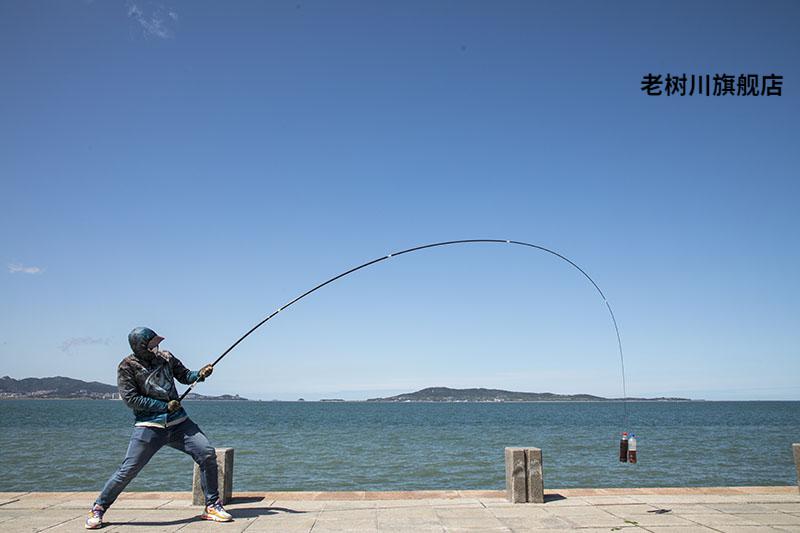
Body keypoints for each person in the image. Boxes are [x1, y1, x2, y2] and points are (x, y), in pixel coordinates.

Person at [85, 327, 233, 529]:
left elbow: (185, 375)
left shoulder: (166, 357)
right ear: (141, 346)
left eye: (157, 343)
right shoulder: (127, 366)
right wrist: (164, 406)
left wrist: (200, 373)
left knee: (206, 453)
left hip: (179, 423)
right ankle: (99, 508)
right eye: (153, 344)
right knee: (128, 469)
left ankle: (212, 505)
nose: (157, 347)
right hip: (149, 427)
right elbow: (131, 399)